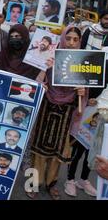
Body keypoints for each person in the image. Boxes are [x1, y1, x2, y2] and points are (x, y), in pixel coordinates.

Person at [29, 26, 88, 200]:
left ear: (79, 42)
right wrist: (44, 74)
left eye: (75, 40)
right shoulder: (50, 56)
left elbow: (84, 92)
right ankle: (33, 183)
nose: (71, 43)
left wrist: (81, 92)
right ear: (62, 39)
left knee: (58, 152)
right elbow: (38, 82)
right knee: (38, 148)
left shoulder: (82, 62)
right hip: (47, 107)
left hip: (67, 111)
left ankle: (51, 183)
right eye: (68, 38)